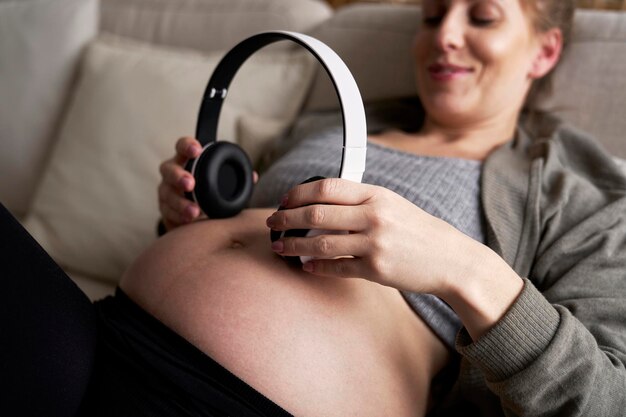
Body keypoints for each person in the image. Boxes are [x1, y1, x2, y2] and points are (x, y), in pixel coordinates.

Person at [2, 0, 624, 416]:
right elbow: (247, 243)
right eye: (433, 15)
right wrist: (183, 219)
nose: (445, 35)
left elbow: (605, 397)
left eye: (483, 16)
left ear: (544, 52)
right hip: (105, 332)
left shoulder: (580, 191)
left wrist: (462, 267)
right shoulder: (334, 119)